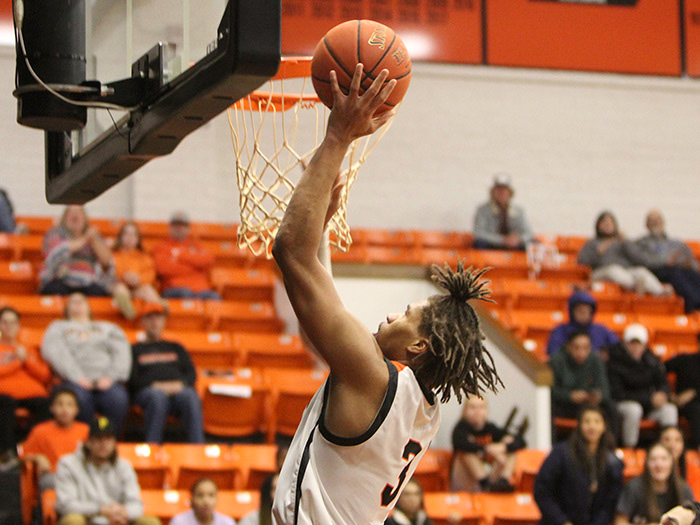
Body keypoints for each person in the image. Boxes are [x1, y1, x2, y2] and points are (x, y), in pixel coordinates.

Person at [270, 64, 502, 525]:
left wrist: (338, 135)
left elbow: (289, 254)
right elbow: (322, 317)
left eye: (406, 314)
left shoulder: (375, 379)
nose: (390, 316)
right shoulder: (422, 408)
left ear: (420, 346)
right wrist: (323, 229)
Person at [41, 292, 131, 435]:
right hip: (72, 381)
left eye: (82, 301)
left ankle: (111, 441)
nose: (78, 304)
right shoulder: (58, 327)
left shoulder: (108, 327)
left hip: (107, 380)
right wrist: (77, 377)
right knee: (79, 400)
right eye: (73, 301)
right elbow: (55, 353)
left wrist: (110, 377)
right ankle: (85, 442)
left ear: (89, 308)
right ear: (66, 308)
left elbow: (122, 353)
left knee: (118, 399)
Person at [54, 416, 161, 525]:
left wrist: (124, 512)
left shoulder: (124, 466)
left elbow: (137, 505)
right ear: (88, 442)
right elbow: (65, 504)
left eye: (108, 439)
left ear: (115, 443)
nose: (103, 444)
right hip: (87, 519)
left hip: (118, 520)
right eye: (98, 439)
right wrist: (100, 510)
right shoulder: (68, 464)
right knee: (72, 520)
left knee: (150, 522)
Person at [534, 405, 624, 525]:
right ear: (579, 425)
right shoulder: (561, 453)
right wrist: (562, 521)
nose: (592, 426)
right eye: (587, 421)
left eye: (597, 421)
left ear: (604, 426)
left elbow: (610, 502)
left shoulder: (612, 461)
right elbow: (542, 491)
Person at [129, 302, 204, 444]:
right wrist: (156, 386)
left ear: (164, 321)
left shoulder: (176, 347)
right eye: (150, 318)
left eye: (158, 317)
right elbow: (133, 380)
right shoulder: (135, 349)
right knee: (157, 397)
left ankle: (198, 448)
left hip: (178, 392)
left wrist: (180, 384)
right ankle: (152, 447)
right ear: (143, 322)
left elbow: (191, 374)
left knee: (190, 395)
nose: (154, 322)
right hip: (149, 393)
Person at [607, 323, 678, 447]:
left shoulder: (652, 361)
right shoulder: (614, 362)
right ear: (624, 344)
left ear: (645, 345)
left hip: (649, 407)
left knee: (669, 410)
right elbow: (617, 394)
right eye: (631, 343)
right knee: (634, 409)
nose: (635, 347)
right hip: (623, 405)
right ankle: (629, 448)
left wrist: (663, 394)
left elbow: (663, 383)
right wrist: (649, 399)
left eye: (638, 343)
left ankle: (669, 448)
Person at [0, 306, 51, 465]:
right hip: (4, 395)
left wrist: (27, 360)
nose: (9, 326)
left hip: (31, 394)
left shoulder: (29, 350)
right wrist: (17, 362)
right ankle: (8, 453)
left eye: (13, 322)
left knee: (48, 404)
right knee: (7, 404)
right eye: (4, 322)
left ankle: (28, 445)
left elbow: (44, 375)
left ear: (19, 325)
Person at [577, 211, 669, 296]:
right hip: (601, 272)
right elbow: (582, 261)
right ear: (598, 226)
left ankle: (660, 291)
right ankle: (635, 286)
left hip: (625, 271)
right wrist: (597, 252)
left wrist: (626, 242)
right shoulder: (592, 243)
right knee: (614, 270)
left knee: (641, 271)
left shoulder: (622, 241)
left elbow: (638, 258)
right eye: (604, 223)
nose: (607, 225)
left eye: (610, 223)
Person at [629, 210, 700, 313]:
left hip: (681, 269)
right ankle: (695, 307)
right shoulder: (642, 243)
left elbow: (692, 261)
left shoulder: (677, 243)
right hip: (660, 271)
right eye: (652, 220)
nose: (655, 223)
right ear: (646, 224)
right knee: (676, 275)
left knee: (693, 275)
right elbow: (644, 260)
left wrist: (690, 265)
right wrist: (667, 261)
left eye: (658, 220)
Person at [451, 395, 524, 492]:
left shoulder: (490, 428)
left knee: (510, 448)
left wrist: (503, 447)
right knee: (466, 453)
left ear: (486, 410)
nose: (477, 412)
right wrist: (488, 449)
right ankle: (484, 483)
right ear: (465, 410)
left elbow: (520, 441)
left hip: (490, 475)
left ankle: (503, 481)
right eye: (472, 407)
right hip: (465, 478)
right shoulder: (461, 428)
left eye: (481, 407)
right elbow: (461, 443)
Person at [21, 388, 89, 491]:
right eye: (60, 404)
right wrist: (38, 457)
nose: (65, 409)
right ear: (52, 408)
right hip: (53, 475)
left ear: (76, 410)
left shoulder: (86, 431)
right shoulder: (40, 431)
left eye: (70, 405)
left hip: (81, 475)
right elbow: (23, 456)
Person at [39, 205, 116, 297]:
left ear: (84, 218)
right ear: (65, 218)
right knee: (55, 290)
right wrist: (85, 239)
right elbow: (58, 252)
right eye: (71, 214)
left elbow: (106, 261)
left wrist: (94, 240)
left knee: (98, 292)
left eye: (78, 214)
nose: (75, 217)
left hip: (88, 281)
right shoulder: (55, 233)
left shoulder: (94, 236)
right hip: (60, 279)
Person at [549, 330, 616, 433]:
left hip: (589, 404)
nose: (581, 352)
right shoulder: (557, 361)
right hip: (565, 405)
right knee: (548, 408)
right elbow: (551, 390)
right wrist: (569, 396)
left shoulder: (596, 360)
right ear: (569, 347)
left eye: (585, 348)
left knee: (611, 407)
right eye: (577, 348)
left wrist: (597, 396)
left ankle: (610, 446)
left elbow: (605, 388)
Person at [615, 442, 694, 525]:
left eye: (664, 459)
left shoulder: (683, 489)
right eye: (653, 459)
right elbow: (619, 522)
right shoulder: (634, 487)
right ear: (646, 464)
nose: (659, 465)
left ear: (672, 463)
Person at [152, 211, 219, 300]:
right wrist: (195, 266)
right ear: (170, 227)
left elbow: (208, 261)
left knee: (214, 296)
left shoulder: (196, 246)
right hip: (174, 288)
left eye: (182, 226)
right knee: (185, 293)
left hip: (201, 289)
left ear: (188, 228)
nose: (179, 228)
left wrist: (179, 255)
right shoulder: (161, 247)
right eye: (175, 225)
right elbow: (163, 268)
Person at [111, 221, 164, 320]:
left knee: (148, 290)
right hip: (121, 286)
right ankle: (132, 317)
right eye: (127, 234)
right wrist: (124, 277)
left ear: (138, 238)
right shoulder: (114, 255)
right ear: (121, 237)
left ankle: (161, 312)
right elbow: (111, 271)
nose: (130, 237)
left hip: (138, 288)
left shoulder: (143, 257)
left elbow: (150, 274)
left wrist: (139, 279)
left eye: (133, 234)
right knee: (120, 290)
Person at [546, 290, 619, 357]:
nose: (583, 314)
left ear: (592, 313)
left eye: (587, 311)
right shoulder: (561, 331)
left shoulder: (601, 330)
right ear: (572, 311)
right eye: (580, 310)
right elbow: (553, 354)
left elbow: (618, 349)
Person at [472, 174, 534, 251]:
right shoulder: (483, 210)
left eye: (505, 190)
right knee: (480, 243)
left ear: (510, 193)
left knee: (533, 245)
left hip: (514, 245)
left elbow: (528, 233)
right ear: (493, 192)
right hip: (492, 245)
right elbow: (479, 233)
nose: (502, 193)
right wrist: (502, 240)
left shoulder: (518, 211)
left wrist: (518, 239)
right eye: (498, 190)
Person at [665, 345, 700, 450]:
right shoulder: (685, 360)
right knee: (696, 409)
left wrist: (694, 393)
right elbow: (659, 370)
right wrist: (668, 394)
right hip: (681, 405)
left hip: (694, 402)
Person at [170, 478, 235, 525]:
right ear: (192, 499)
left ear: (217, 499)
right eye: (200, 495)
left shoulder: (227, 522)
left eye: (211, 495)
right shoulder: (179, 522)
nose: (206, 501)